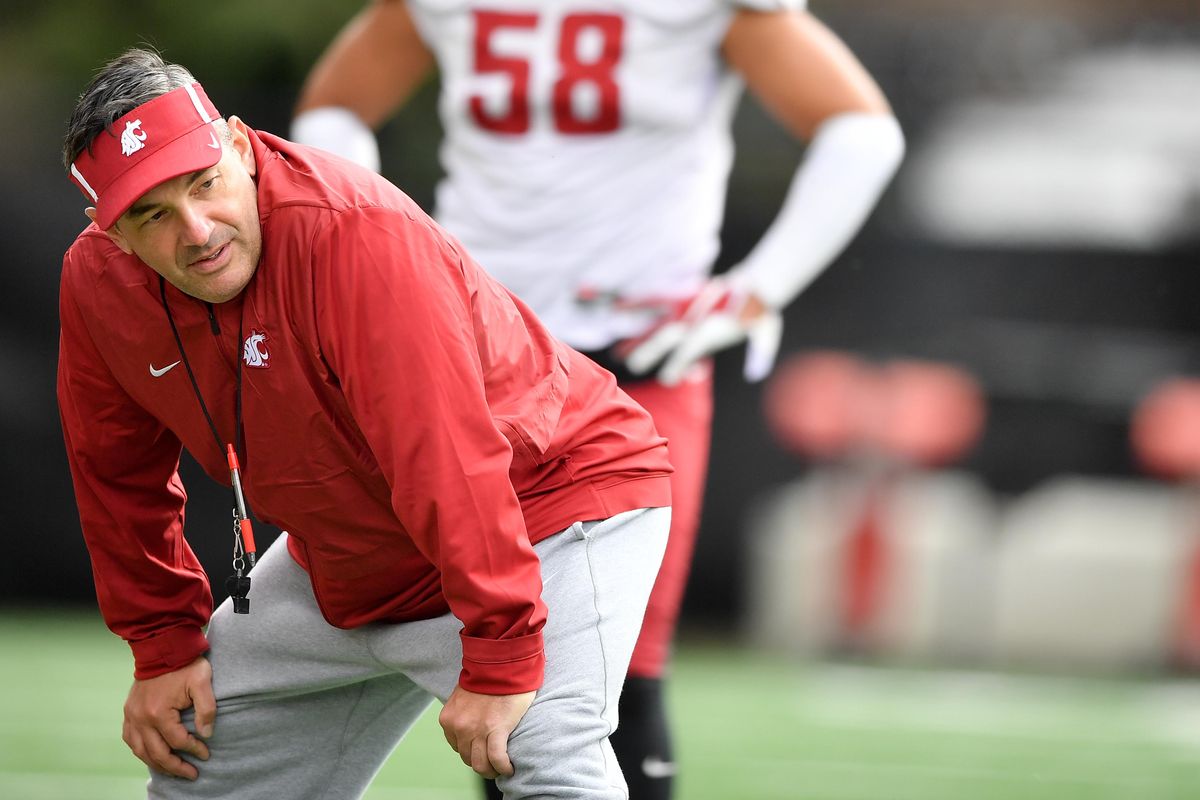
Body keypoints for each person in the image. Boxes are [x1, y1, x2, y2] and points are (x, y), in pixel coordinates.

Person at [292, 2, 904, 798]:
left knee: (620, 668)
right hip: (477, 353)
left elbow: (860, 131)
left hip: (637, 362)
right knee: (504, 651)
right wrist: (382, 237)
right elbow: (336, 106)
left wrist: (760, 288)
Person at [58, 47, 675, 800]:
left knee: (544, 756)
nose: (197, 230)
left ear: (241, 145)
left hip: (542, 504)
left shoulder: (356, 237)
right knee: (198, 761)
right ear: (109, 231)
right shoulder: (96, 281)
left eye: (205, 184)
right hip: (354, 554)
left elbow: (444, 455)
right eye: (153, 215)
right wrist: (161, 646)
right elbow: (116, 474)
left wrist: (505, 647)